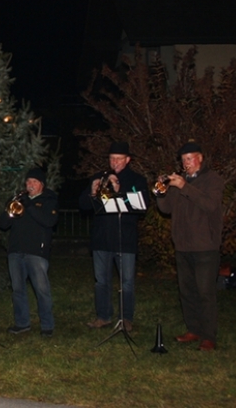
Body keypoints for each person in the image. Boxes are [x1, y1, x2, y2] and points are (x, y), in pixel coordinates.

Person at [155, 141, 225, 351]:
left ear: (200, 158)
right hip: (183, 245)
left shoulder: (212, 180)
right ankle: (193, 329)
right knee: (187, 291)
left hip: (205, 246)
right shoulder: (180, 182)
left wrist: (184, 187)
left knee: (205, 292)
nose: (186, 163)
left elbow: (209, 204)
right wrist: (160, 192)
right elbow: (166, 209)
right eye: (183, 160)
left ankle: (208, 335)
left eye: (190, 158)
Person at [79, 141, 149, 332]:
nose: (115, 162)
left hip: (125, 239)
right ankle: (103, 316)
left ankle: (126, 318)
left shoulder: (137, 180)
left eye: (119, 158)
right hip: (101, 238)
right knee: (101, 281)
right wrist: (93, 192)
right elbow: (83, 205)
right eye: (112, 158)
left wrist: (120, 192)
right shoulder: (99, 177)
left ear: (128, 160)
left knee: (126, 282)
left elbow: (141, 205)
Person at [0, 167, 58, 337]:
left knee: (42, 290)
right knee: (18, 290)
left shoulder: (49, 200)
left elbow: (49, 221)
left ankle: (47, 325)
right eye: (28, 181)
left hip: (36, 252)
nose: (30, 185)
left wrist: (29, 205)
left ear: (41, 185)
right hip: (16, 251)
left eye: (34, 182)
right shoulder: (18, 200)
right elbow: (3, 225)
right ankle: (22, 323)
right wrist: (9, 210)